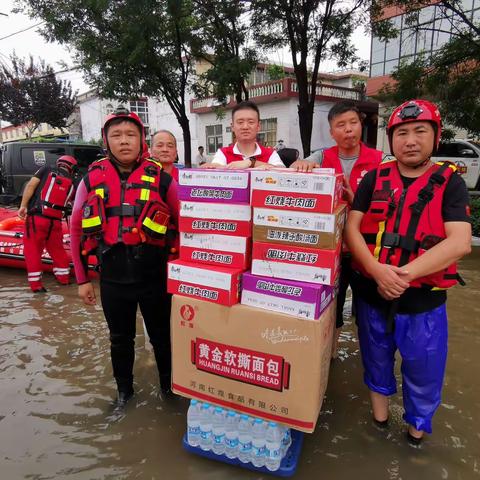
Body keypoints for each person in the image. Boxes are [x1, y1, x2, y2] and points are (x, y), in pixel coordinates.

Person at [344, 99, 471, 445]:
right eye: (402, 133)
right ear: (391, 139)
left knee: (424, 369)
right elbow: (351, 229)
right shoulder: (374, 179)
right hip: (372, 293)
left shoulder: (450, 183)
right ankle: (380, 420)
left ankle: (416, 432)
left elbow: (460, 242)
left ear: (435, 136)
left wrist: (401, 275)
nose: (410, 140)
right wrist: (374, 269)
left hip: (422, 302)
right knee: (375, 358)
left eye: (419, 132)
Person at [70, 106, 179, 408]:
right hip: (114, 277)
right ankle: (124, 394)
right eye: (116, 135)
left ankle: (169, 391)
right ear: (106, 141)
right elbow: (76, 227)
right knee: (120, 340)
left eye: (131, 134)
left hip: (154, 276)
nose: (124, 140)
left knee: (162, 338)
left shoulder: (161, 178)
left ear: (141, 139)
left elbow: (185, 222)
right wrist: (82, 280)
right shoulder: (90, 179)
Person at [291, 101, 383, 352]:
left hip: (368, 251)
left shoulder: (381, 161)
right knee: (332, 309)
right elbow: (293, 173)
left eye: (353, 123)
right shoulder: (322, 157)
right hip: (332, 252)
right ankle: (328, 360)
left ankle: (370, 362)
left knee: (371, 315)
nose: (348, 130)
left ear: (360, 125)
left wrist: (358, 202)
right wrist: (302, 165)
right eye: (340, 125)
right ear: (332, 132)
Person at [18, 155, 77, 292]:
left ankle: (36, 286)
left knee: (32, 250)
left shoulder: (46, 169)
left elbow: (31, 186)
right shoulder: (73, 181)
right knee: (58, 250)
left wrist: (23, 206)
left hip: (37, 218)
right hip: (55, 221)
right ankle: (64, 279)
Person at [202, 100, 285, 170]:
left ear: (258, 126)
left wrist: (251, 163)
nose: (245, 127)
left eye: (251, 122)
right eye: (240, 122)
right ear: (232, 127)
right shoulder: (223, 153)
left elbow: (283, 172)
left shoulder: (270, 153)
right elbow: (216, 167)